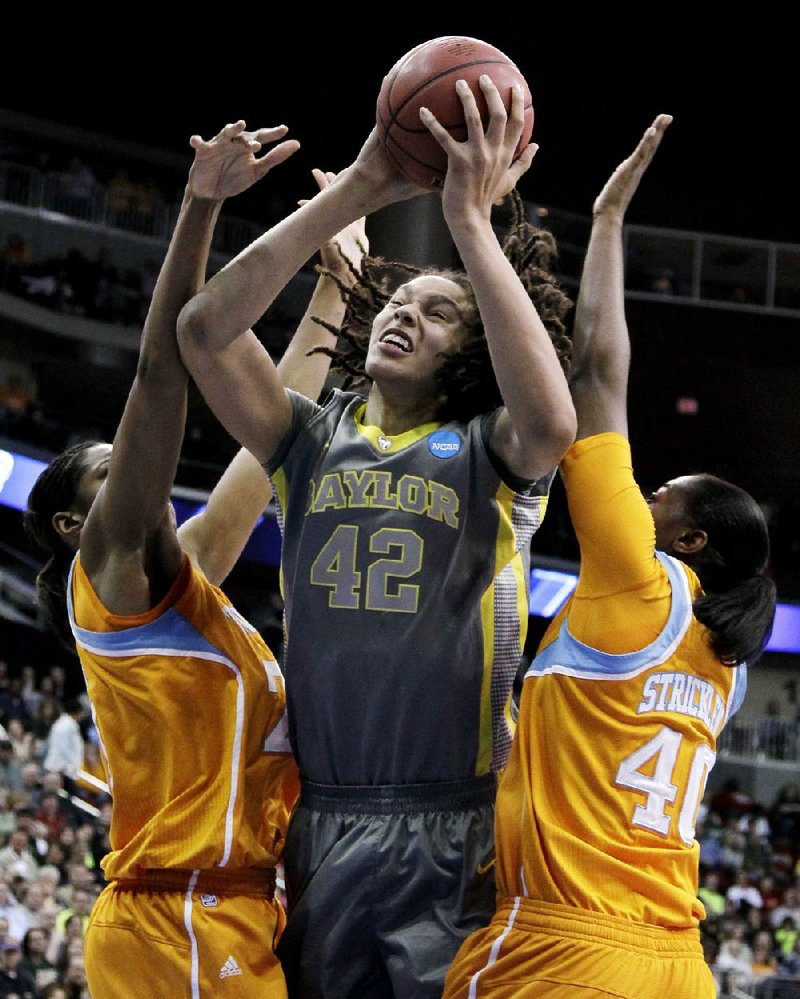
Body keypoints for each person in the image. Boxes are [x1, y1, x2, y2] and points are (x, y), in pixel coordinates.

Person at [177, 78, 576, 998]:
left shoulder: (490, 452)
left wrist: (469, 226)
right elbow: (204, 330)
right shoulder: (311, 440)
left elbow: (553, 421)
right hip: (327, 816)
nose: (406, 312)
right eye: (401, 302)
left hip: (460, 818)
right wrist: (357, 186)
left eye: (441, 313)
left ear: (472, 354)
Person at [23, 120, 364, 998]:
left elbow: (276, 434)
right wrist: (199, 206)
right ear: (72, 522)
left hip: (223, 915)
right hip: (176, 917)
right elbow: (161, 373)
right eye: (108, 467)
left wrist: (336, 287)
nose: (133, 468)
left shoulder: (189, 579)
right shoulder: (110, 573)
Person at [441, 114, 777, 999]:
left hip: (565, 949)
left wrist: (610, 222)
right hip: (675, 960)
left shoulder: (641, 574)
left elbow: (595, 373)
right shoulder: (727, 660)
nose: (645, 493)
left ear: (689, 539)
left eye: (662, 492)